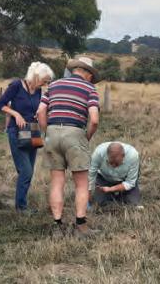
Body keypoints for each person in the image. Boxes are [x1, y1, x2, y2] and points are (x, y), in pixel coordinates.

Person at [37, 57, 100, 238]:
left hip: (52, 132)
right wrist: (85, 137)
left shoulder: (53, 85)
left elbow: (41, 111)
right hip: (75, 132)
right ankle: (80, 225)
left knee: (57, 181)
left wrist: (47, 132)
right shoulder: (89, 88)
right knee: (81, 183)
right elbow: (94, 120)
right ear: (87, 73)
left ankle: (57, 225)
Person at [0, 62, 54, 214]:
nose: (46, 83)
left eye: (48, 81)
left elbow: (36, 108)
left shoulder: (38, 90)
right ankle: (21, 208)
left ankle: (21, 202)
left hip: (33, 132)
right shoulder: (16, 85)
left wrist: (38, 114)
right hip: (16, 132)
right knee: (26, 171)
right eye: (45, 80)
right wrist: (16, 114)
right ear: (36, 76)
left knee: (28, 171)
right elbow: (0, 104)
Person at [89, 142, 141, 207]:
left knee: (133, 203)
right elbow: (90, 175)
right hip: (104, 178)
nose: (113, 166)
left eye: (116, 163)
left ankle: (121, 195)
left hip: (124, 179)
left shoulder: (133, 156)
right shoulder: (98, 153)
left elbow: (130, 182)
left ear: (123, 155)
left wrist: (110, 189)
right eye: (110, 163)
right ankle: (111, 197)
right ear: (107, 155)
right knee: (100, 202)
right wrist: (88, 195)